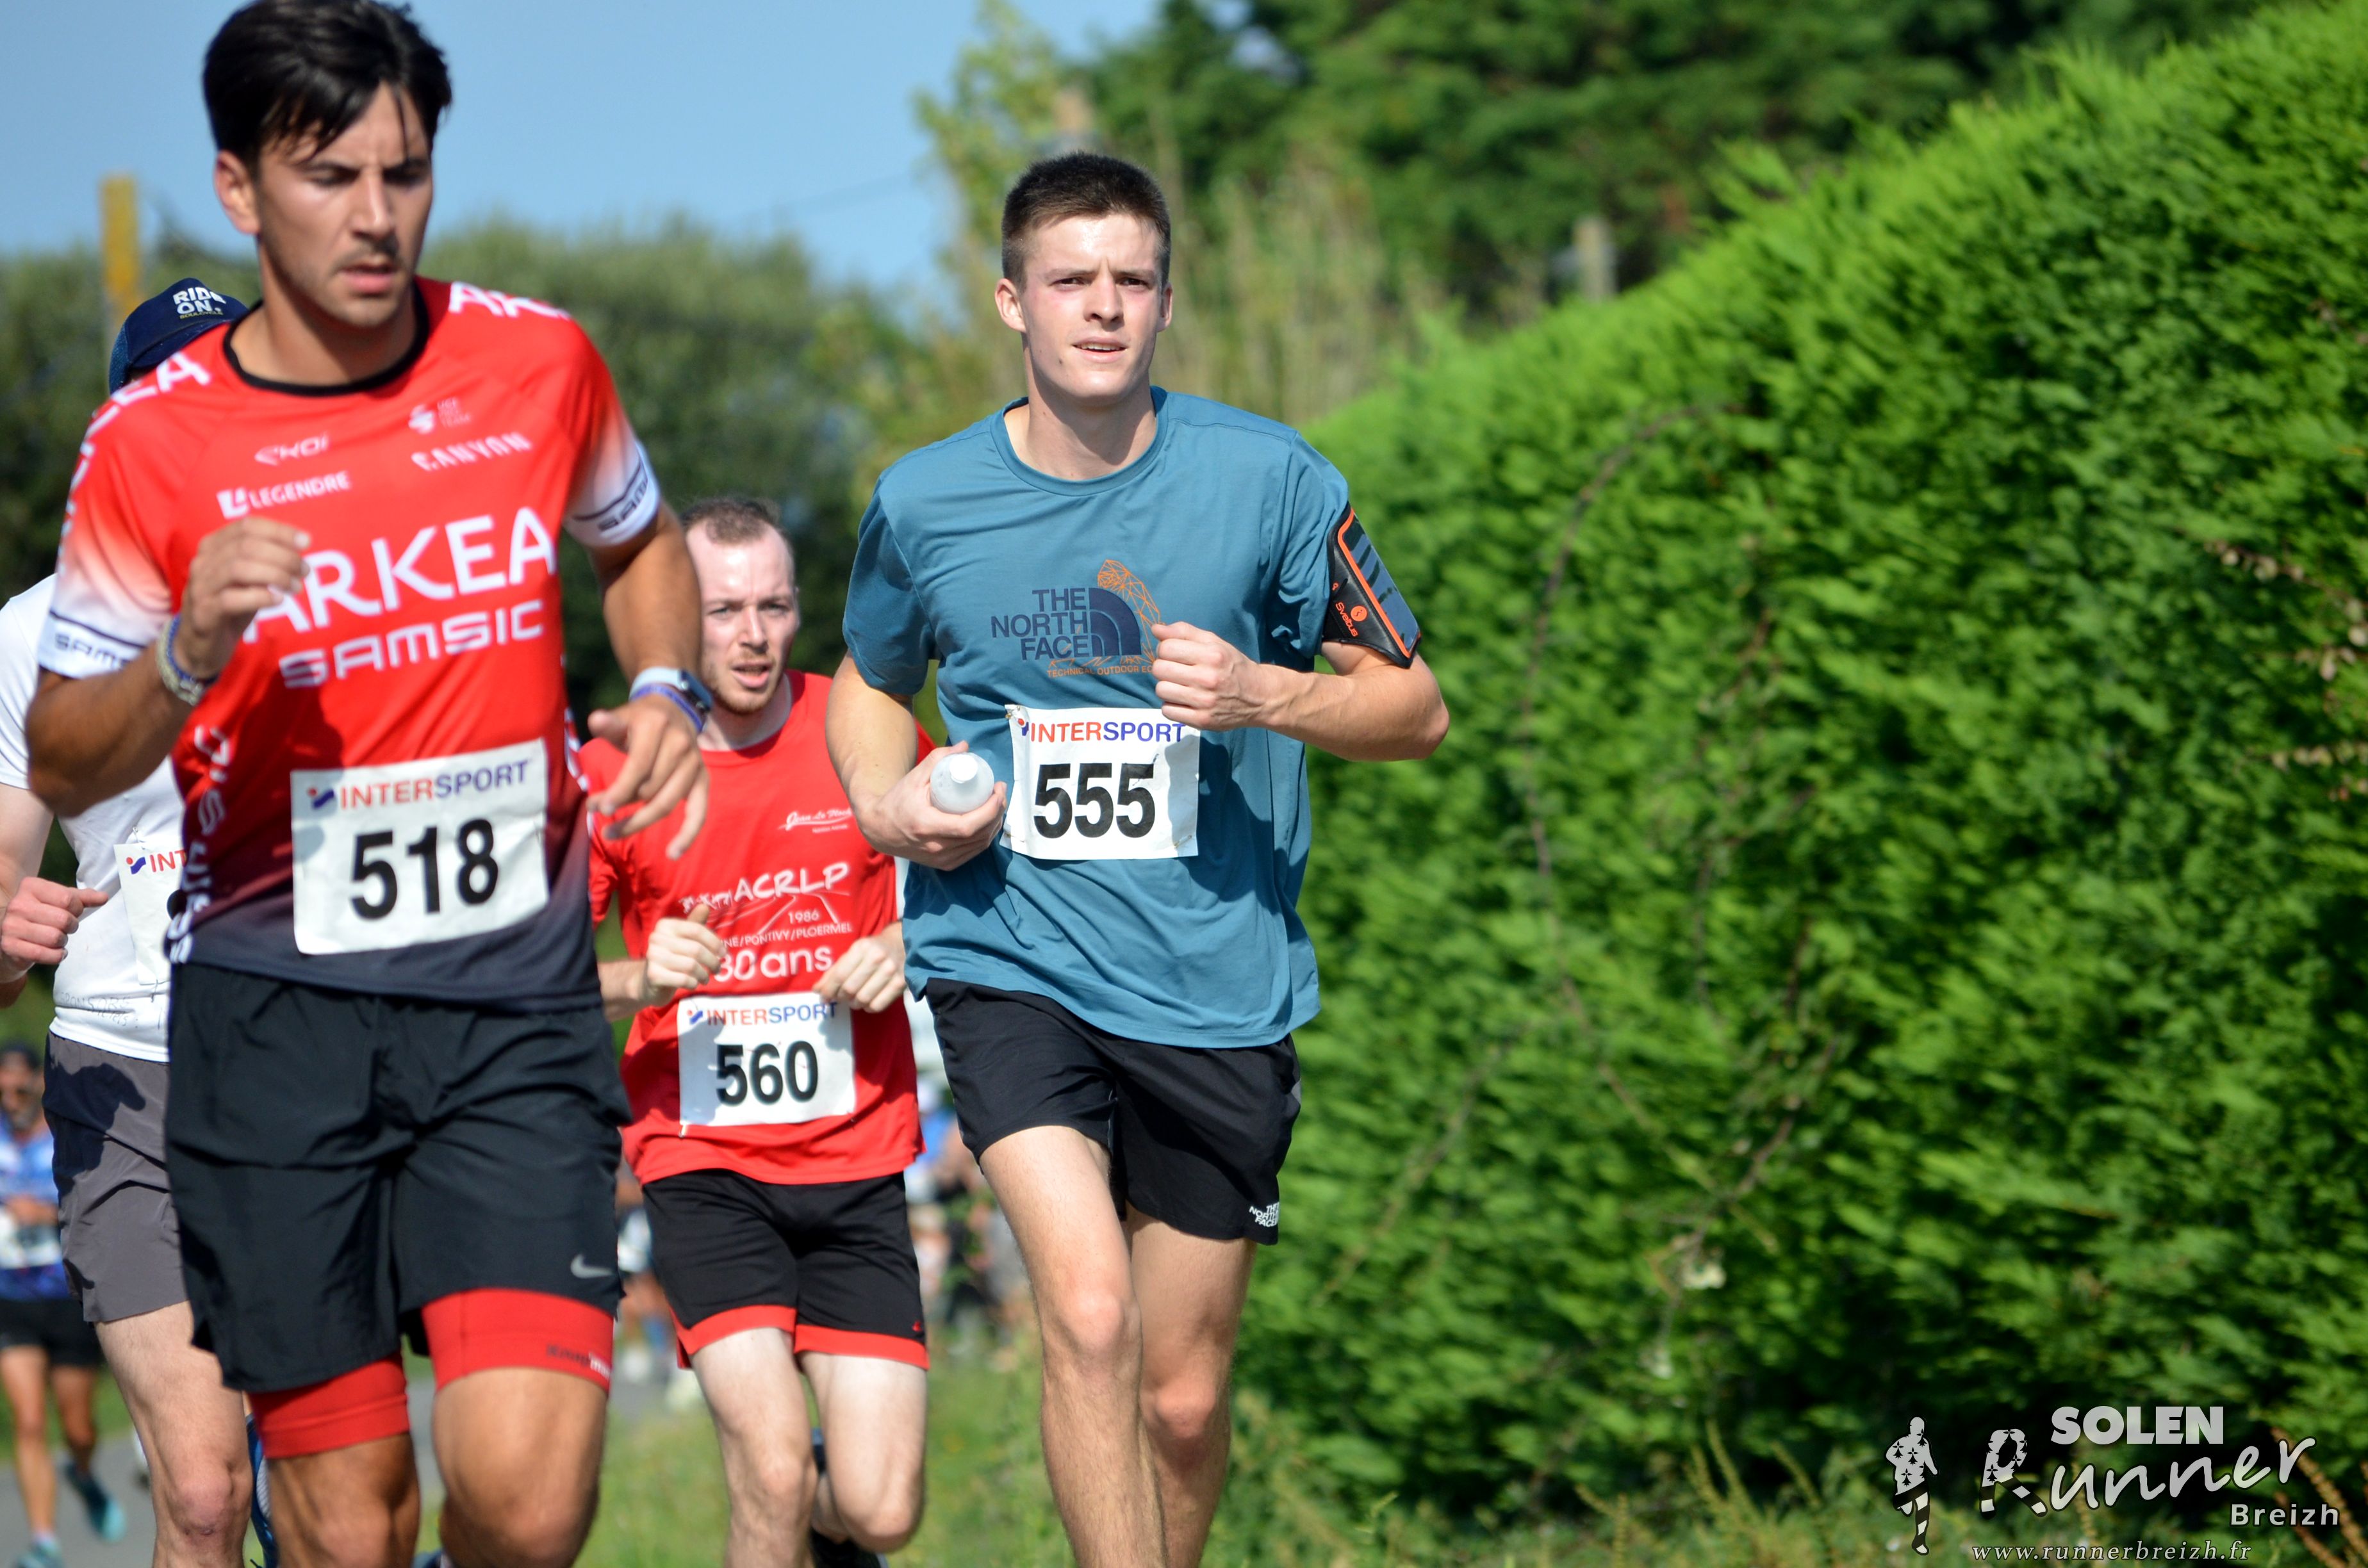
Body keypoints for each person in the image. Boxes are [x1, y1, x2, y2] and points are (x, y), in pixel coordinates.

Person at [21, 4, 709, 1565]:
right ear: (240, 188)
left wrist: (666, 683)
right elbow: (61, 750)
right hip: (278, 1022)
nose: (377, 215)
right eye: (330, 177)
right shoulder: (151, 445)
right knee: (349, 1526)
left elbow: (642, 541)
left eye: (406, 173)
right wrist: (185, 650)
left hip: (508, 1003)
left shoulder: (536, 362)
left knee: (529, 1504)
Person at [826, 152, 1449, 1568]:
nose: (1102, 306)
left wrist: (1264, 693)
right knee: (1089, 1313)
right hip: (1008, 950)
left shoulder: (1272, 480)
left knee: (1180, 1399)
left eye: (1132, 280)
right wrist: (883, 801)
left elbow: (1415, 708)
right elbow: (868, 676)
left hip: (1215, 976)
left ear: (1168, 301)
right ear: (1013, 301)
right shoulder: (925, 501)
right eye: (1071, 280)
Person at [586, 497, 930, 1568]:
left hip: (858, 1157)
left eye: (773, 607)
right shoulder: (618, 770)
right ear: (676, 615)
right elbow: (522, 977)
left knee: (880, 1509)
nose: (752, 635)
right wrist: (638, 974)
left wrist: (906, 944)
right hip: (704, 1164)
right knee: (770, 1466)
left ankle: (831, 1526)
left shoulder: (861, 729)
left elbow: (980, 887)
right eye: (723, 609)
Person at [0, 279, 258, 1568]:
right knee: (205, 1493)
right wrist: (6, 936)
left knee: (335, 1496)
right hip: (126, 1070)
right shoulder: (32, 635)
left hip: (312, 1052)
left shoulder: (339, 596)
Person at [0, 1045, 120, 1568]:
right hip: (11, 1298)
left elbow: (97, 1204)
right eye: (2, 1088)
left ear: (39, 1084)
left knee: (78, 1429)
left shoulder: (63, 1135)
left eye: (19, 1085)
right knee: (28, 1422)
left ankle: (84, 1471)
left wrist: (45, 1213)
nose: (10, 1096)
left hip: (66, 1296)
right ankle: (44, 1543)